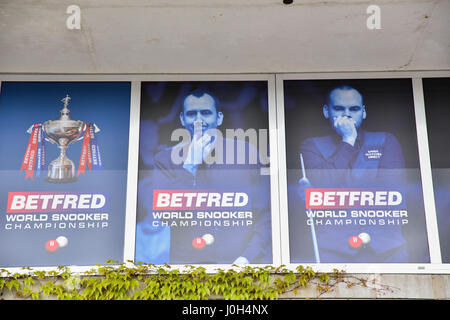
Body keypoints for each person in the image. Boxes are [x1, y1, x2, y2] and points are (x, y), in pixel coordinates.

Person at [137, 89, 272, 265]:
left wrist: (247, 257)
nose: (199, 120)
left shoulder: (246, 153)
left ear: (219, 118)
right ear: (182, 119)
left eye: (206, 113)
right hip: (187, 269)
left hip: (242, 264)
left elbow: (264, 215)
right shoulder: (165, 160)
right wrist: (189, 166)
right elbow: (165, 216)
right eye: (192, 114)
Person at [298, 85, 408, 263]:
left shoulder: (386, 140)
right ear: (327, 111)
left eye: (354, 109)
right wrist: (348, 140)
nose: (347, 114)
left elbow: (390, 192)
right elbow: (324, 186)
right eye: (339, 109)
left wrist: (330, 193)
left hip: (387, 247)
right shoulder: (311, 145)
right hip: (333, 248)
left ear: (363, 112)